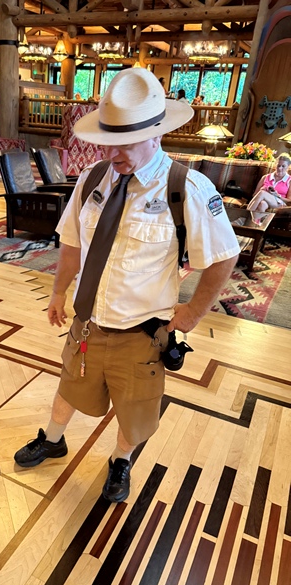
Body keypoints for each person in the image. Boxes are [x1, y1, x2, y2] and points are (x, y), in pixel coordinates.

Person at [13, 68, 240, 503]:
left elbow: (224, 255)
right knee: (69, 383)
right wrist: (58, 291)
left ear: (156, 134)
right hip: (87, 323)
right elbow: (72, 242)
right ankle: (53, 439)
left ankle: (121, 460)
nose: (112, 153)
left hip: (141, 333)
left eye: (125, 142)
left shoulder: (187, 188)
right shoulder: (92, 179)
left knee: (135, 409)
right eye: (107, 140)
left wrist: (192, 313)